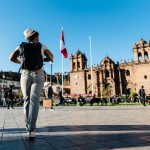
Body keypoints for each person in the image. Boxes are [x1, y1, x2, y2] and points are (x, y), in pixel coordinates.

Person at [9, 28, 53, 140]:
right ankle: (32, 129)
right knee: (34, 99)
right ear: (35, 36)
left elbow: (11, 58)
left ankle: (28, 125)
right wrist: (44, 59)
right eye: (37, 36)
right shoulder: (42, 45)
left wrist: (21, 62)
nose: (38, 38)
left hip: (25, 74)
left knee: (27, 99)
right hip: (39, 74)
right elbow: (51, 57)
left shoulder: (21, 46)